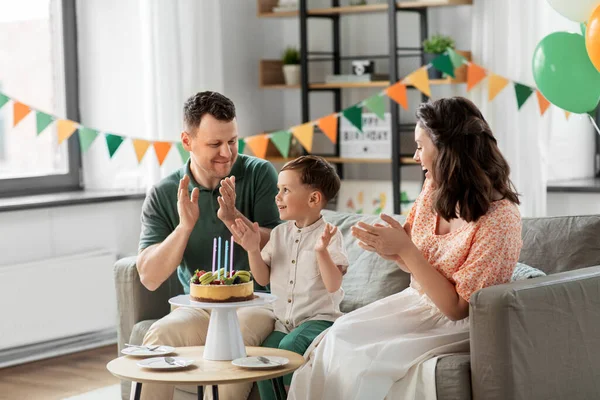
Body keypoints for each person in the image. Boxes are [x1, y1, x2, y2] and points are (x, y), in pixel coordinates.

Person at [287, 97, 523, 400]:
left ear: (447, 150)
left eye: (420, 146)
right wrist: (390, 249)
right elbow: (409, 260)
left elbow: (457, 308)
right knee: (336, 337)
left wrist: (406, 251)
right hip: (415, 304)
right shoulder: (434, 189)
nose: (415, 156)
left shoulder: (500, 219)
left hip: (456, 324)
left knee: (364, 362)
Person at [136, 91, 281, 400]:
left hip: (255, 303)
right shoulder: (164, 193)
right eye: (215, 144)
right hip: (199, 308)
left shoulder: (259, 174)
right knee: (160, 335)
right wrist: (184, 227)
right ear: (187, 142)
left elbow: (284, 244)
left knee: (234, 342)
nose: (227, 153)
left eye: (233, 141)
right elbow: (149, 277)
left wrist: (232, 218)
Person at [230, 156, 349, 400]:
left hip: (320, 321)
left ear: (313, 199)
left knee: (288, 348)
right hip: (284, 324)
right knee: (262, 356)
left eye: (286, 190)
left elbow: (333, 284)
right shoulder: (279, 234)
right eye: (278, 190)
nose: (278, 196)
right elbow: (262, 278)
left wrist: (321, 252)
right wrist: (252, 249)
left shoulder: (330, 236)